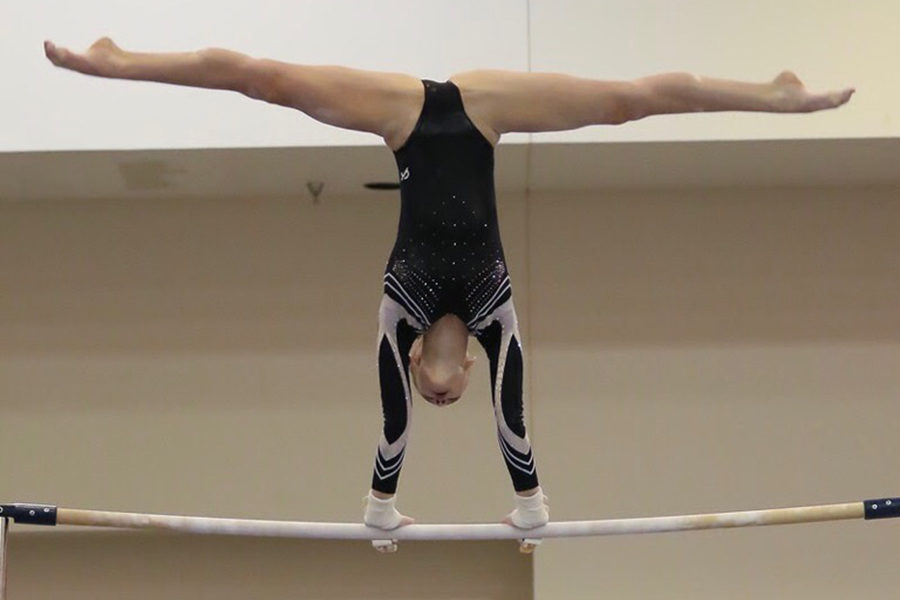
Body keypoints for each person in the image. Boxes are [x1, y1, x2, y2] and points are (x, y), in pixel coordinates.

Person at [43, 38, 854, 539]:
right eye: (448, 395)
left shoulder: (401, 306)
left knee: (268, 79)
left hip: (400, 116)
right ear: (466, 370)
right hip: (486, 110)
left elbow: (390, 418)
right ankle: (773, 94)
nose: (435, 392)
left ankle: (117, 62)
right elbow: (516, 414)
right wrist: (531, 508)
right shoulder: (496, 311)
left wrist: (379, 509)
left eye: (430, 391)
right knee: (623, 102)